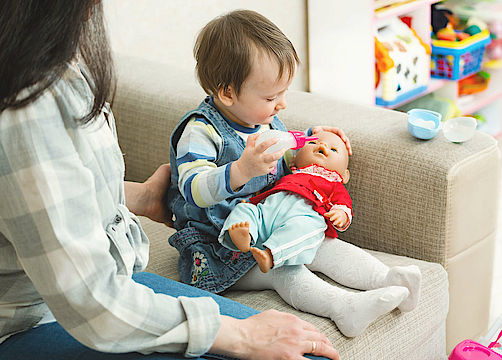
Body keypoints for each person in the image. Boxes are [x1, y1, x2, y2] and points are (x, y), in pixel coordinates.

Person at [0, 1, 340, 359]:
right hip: (44, 318)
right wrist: (245, 336)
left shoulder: (63, 64)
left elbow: (46, 199)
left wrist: (137, 196)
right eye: (272, 96)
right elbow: (90, 299)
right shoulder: (26, 113)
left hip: (108, 288)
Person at [168, 9, 422, 338]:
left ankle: (390, 281)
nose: (282, 105)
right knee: (286, 269)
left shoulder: (263, 120)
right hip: (223, 247)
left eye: (284, 93)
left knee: (325, 245)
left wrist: (313, 139)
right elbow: (193, 189)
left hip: (274, 222)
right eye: (272, 96)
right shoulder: (201, 132)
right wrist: (239, 170)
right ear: (228, 93)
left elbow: (287, 153)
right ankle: (342, 308)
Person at [220, 131, 354, 273]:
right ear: (293, 161)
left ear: (345, 175)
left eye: (333, 149)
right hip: (266, 213)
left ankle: (271, 255)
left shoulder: (334, 184)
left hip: (302, 218)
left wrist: (340, 214)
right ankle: (243, 235)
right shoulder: (288, 174)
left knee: (307, 229)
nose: (322, 145)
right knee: (244, 209)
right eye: (313, 143)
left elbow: (344, 205)